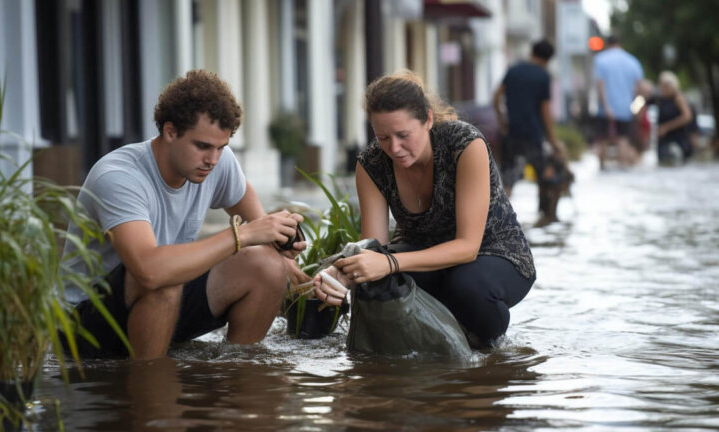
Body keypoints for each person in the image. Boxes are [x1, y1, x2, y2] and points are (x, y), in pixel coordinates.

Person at [61, 70, 308, 360]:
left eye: (222, 147)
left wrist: (288, 264)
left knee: (266, 265)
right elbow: (148, 270)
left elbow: (261, 227)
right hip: (85, 327)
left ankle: (237, 379)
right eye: (202, 146)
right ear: (170, 131)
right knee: (164, 276)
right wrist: (242, 235)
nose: (213, 160)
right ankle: (150, 391)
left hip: (164, 303)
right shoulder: (118, 177)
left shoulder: (217, 162)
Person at [312, 70, 536, 348]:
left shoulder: (465, 144)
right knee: (374, 278)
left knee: (465, 286)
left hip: (493, 253)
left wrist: (390, 263)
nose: (394, 148)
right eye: (383, 137)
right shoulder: (370, 164)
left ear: (428, 119)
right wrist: (342, 273)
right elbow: (374, 247)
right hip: (422, 256)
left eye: (403, 135)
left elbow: (467, 247)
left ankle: (491, 352)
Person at [493, 39, 569, 227]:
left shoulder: (514, 70)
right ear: (548, 59)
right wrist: (553, 140)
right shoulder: (543, 76)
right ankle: (544, 218)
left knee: (508, 181)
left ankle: (498, 220)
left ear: (532, 52)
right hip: (534, 136)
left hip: (512, 134)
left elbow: (496, 97)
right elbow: (545, 111)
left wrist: (502, 120)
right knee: (544, 178)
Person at [593, 34, 644, 169]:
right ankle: (623, 169)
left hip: (605, 109)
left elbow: (600, 85)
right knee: (624, 140)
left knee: (603, 139)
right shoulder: (632, 61)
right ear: (621, 43)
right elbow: (639, 87)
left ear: (607, 44)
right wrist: (636, 107)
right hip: (626, 108)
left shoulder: (601, 60)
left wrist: (606, 106)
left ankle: (602, 171)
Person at [648, 71, 694, 164]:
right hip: (663, 140)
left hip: (678, 138)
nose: (662, 88)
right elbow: (642, 104)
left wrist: (666, 127)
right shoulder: (658, 99)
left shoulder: (677, 98)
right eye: (661, 85)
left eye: (666, 86)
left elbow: (687, 116)